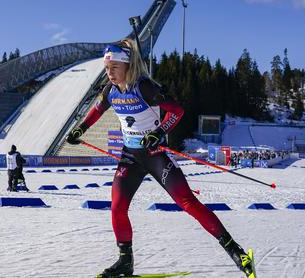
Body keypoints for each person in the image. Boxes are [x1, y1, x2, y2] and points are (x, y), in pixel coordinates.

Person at [66, 38, 254, 277]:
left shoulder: (144, 87)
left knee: (187, 202)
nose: (109, 73)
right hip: (130, 157)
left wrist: (158, 133)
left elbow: (177, 111)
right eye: (106, 68)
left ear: (127, 66)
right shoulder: (110, 92)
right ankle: (125, 262)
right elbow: (96, 111)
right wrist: (80, 130)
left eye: (114, 67)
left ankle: (237, 253)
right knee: (117, 207)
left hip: (155, 155)